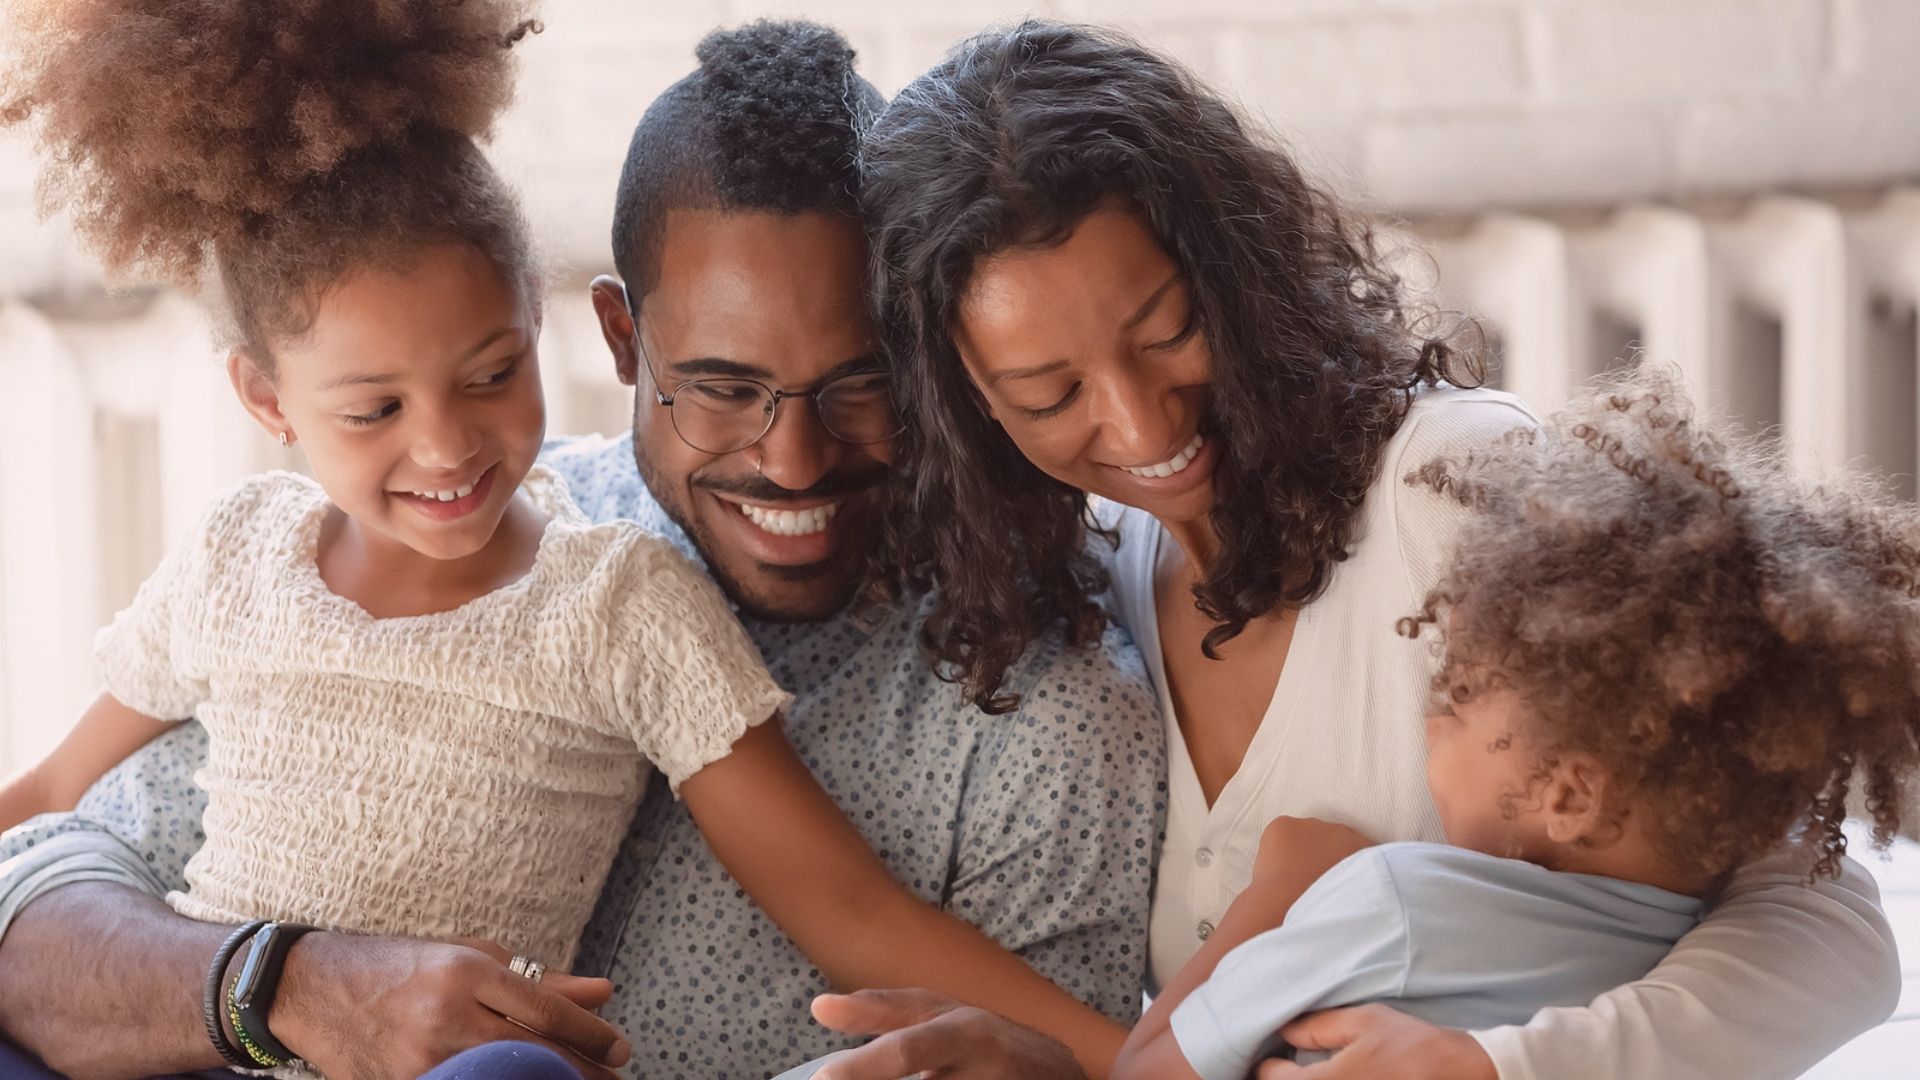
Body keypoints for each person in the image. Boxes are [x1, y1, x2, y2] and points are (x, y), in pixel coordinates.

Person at [0, 15, 1163, 1080]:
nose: (794, 461)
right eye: (721, 387)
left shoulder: (1038, 724)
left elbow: (864, 921)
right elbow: (49, 871)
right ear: (618, 337)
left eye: (859, 384)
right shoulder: (380, 545)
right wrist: (289, 986)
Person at [804, 20, 1899, 1080]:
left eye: (1171, 330)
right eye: (1052, 394)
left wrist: (1496, 1066)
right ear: (971, 412)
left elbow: (1835, 926)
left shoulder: (1451, 496)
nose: (1143, 429)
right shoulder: (1098, 589)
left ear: (1236, 272)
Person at [1110, 369, 1920, 1079]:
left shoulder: (1394, 907)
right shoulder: (1680, 944)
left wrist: (1275, 893)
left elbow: (1145, 1071)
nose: (1427, 721)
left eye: (1454, 698)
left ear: (1568, 795)